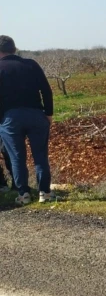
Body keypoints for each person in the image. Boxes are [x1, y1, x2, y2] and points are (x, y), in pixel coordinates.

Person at [0, 35, 54, 204]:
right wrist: (48, 114)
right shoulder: (31, 64)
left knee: (16, 157)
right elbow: (46, 90)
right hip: (36, 115)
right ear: (14, 49)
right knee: (40, 156)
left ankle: (23, 194)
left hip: (10, 118)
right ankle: (44, 193)